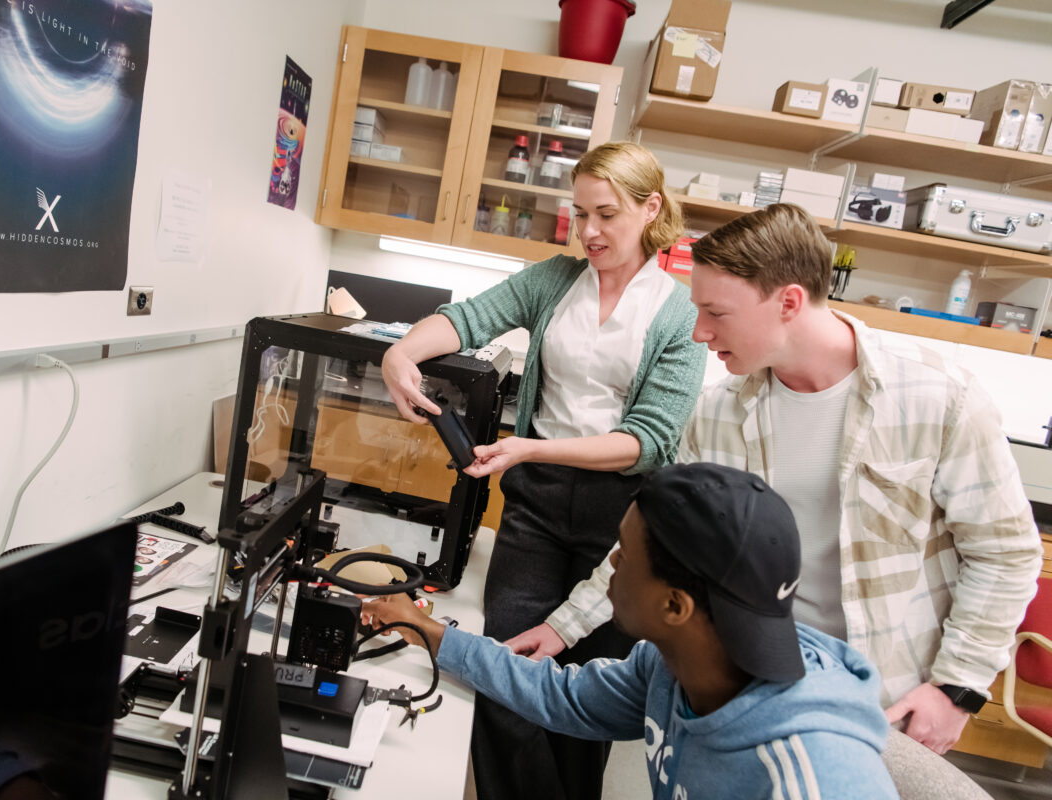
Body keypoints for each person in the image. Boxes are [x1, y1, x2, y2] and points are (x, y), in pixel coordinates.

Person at [509, 202, 1044, 756]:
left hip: (882, 703)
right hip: (750, 689)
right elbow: (659, 542)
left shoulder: (938, 398)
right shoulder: (717, 413)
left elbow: (1004, 554)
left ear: (788, 302)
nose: (699, 333)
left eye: (716, 313)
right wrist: (564, 627)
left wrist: (955, 689)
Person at [380, 141, 707, 800]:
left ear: (651, 208)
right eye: (579, 213)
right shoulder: (554, 280)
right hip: (534, 509)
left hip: (622, 522)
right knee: (504, 677)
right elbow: (469, 319)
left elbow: (647, 442)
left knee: (584, 704)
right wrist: (401, 354)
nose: (588, 231)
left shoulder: (679, 314)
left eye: (606, 215)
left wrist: (528, 448)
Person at [362, 463, 900, 800]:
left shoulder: (810, 778)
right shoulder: (672, 667)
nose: (610, 564)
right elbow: (559, 696)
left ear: (675, 604)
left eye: (625, 553)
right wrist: (425, 628)